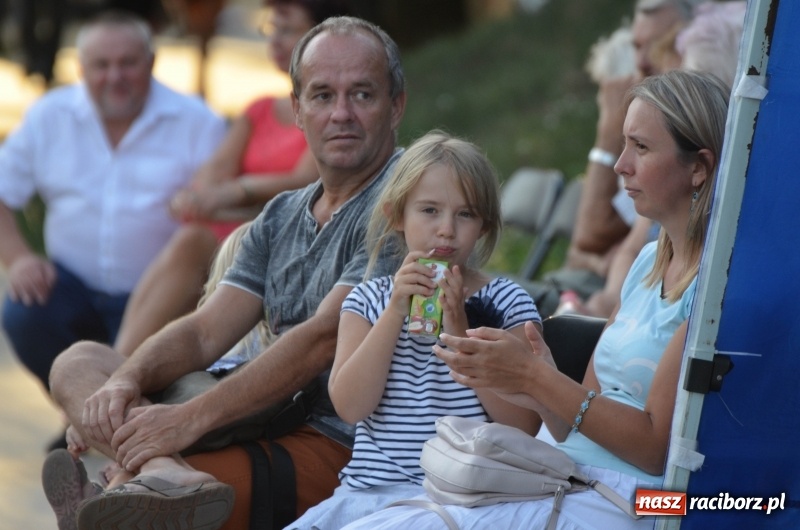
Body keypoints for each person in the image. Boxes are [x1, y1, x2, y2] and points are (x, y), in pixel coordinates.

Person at [45, 15, 407, 530]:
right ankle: (160, 469)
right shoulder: (282, 213)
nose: (341, 114)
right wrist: (125, 384)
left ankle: (140, 481)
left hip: (343, 443)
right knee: (79, 363)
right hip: (262, 416)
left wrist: (184, 420)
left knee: (132, 507)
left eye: (363, 95)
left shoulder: (409, 203)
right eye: (323, 96)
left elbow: (322, 339)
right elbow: (203, 331)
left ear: (397, 106)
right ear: (298, 111)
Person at [338, 69, 730, 529]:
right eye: (623, 144)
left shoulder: (717, 288)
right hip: (563, 473)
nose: (621, 164)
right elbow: (577, 417)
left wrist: (536, 380)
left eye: (640, 148)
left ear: (698, 167)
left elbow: (652, 449)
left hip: (644, 500)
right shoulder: (646, 264)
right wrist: (539, 381)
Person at [287, 131, 542, 529]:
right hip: (371, 495)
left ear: (484, 225)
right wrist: (393, 314)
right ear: (396, 215)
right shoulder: (367, 301)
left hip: (466, 498)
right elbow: (351, 407)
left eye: (465, 214)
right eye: (429, 211)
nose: (446, 230)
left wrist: (459, 327)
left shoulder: (506, 302)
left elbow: (524, 425)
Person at [0, 9, 225, 435]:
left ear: (152, 62)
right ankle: (94, 415)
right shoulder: (51, 115)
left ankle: (90, 422)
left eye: (128, 63)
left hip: (165, 300)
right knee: (22, 311)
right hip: (73, 291)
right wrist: (20, 259)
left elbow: (218, 212)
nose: (115, 76)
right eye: (102, 65)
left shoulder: (196, 121)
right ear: (81, 68)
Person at [113, 0, 352, 358]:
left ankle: (119, 370)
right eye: (270, 30)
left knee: (194, 242)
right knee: (191, 237)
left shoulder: (336, 112)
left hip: (285, 231)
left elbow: (304, 179)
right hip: (241, 226)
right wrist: (198, 194)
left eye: (286, 30)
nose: (274, 40)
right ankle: (122, 367)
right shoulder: (260, 109)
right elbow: (216, 168)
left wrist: (230, 192)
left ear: (326, 35)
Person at [531, 0, 703, 318]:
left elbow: (591, 237)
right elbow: (589, 249)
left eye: (656, 47)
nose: (641, 64)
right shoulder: (652, 161)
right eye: (636, 47)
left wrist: (609, 130)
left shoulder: (677, 155)